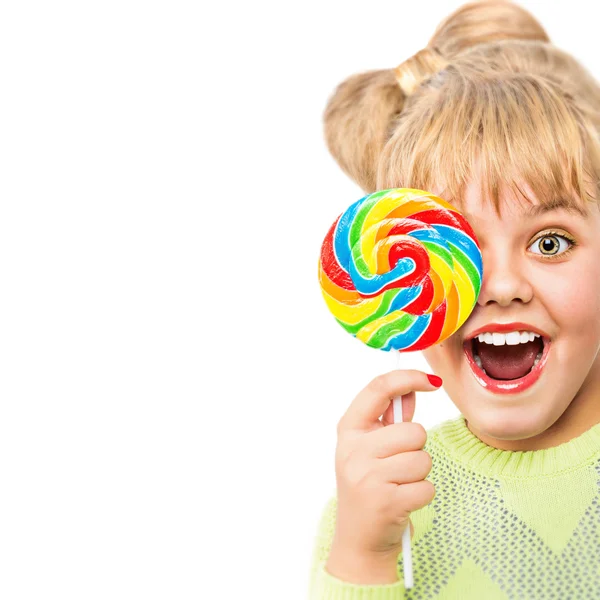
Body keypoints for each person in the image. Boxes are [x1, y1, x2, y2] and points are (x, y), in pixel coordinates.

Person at [309, 1, 600, 598]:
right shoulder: (381, 507)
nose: (500, 286)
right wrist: (364, 556)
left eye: (549, 241)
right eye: (458, 245)